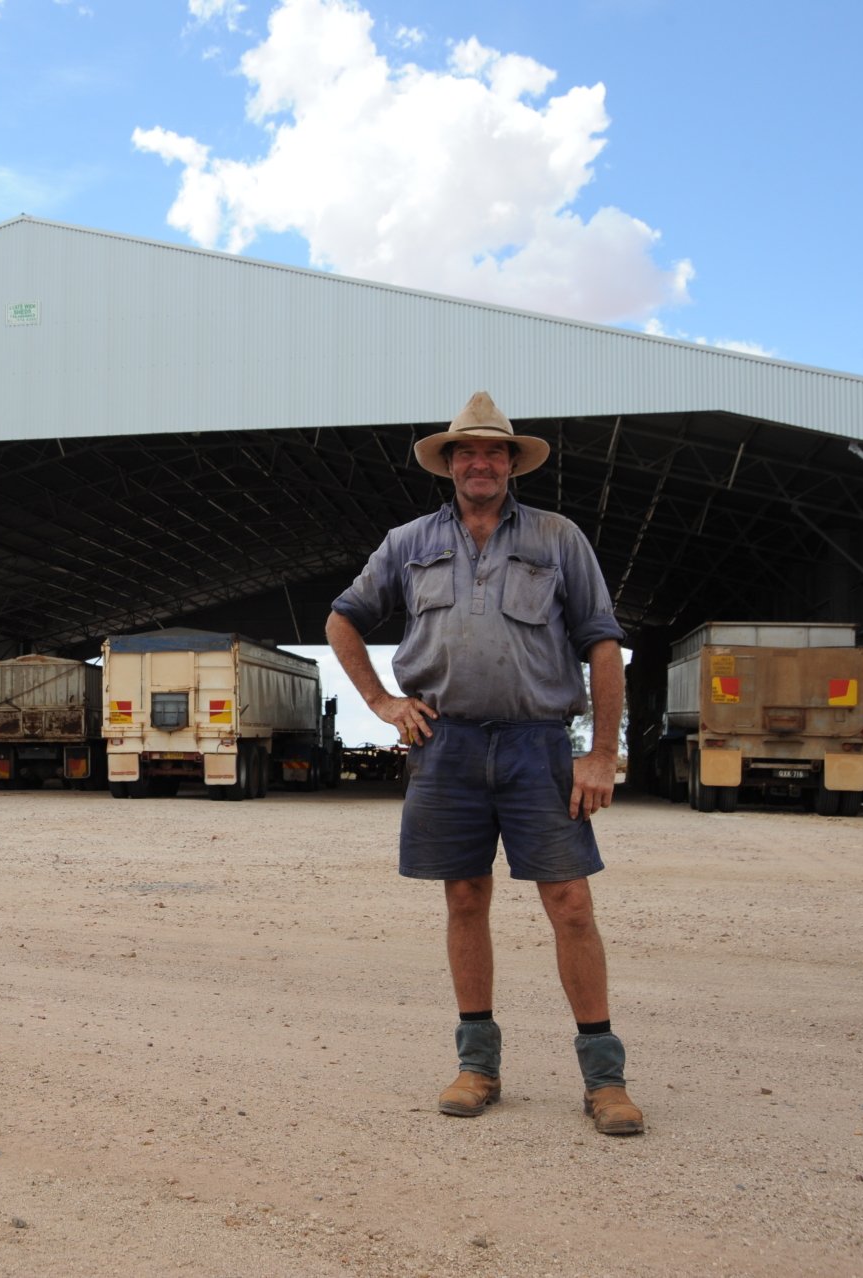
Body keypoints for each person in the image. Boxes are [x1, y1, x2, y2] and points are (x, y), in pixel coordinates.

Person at [324, 391, 644, 1137]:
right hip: (446, 745)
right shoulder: (407, 543)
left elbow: (602, 643)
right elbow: (344, 616)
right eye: (466, 452)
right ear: (448, 464)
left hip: (538, 745)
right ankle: (478, 1066)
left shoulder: (558, 538)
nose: (480, 463)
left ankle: (605, 1079)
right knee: (464, 898)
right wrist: (380, 701)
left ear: (511, 463)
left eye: (494, 452)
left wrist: (600, 752)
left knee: (570, 904)